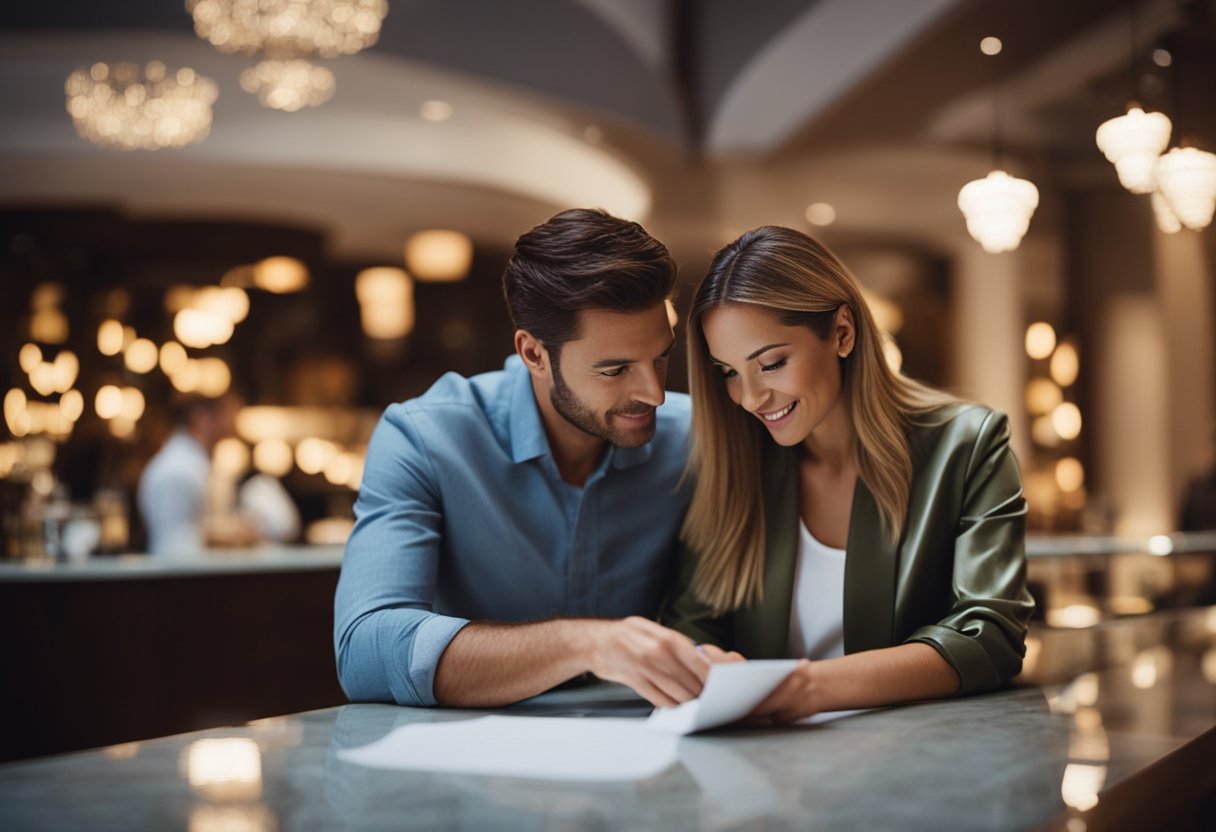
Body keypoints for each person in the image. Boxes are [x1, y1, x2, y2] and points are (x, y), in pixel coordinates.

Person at [334, 209, 709, 709]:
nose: (656, 394)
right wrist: (589, 644)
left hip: (644, 755)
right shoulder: (424, 437)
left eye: (660, 356)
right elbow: (364, 654)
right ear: (534, 354)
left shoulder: (694, 442)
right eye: (616, 369)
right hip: (464, 769)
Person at [664, 226, 1034, 723]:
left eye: (770, 364)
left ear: (842, 332)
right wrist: (707, 664)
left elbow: (989, 637)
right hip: (765, 771)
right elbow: (693, 623)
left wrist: (804, 688)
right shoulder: (735, 460)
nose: (749, 398)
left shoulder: (967, 446)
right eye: (729, 372)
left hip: (916, 768)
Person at [137, 392, 256, 556]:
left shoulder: (203, 467)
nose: (233, 420)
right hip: (177, 579)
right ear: (201, 418)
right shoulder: (175, 469)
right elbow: (173, 546)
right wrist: (224, 534)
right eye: (223, 413)